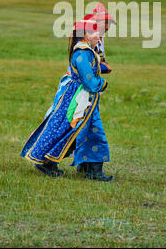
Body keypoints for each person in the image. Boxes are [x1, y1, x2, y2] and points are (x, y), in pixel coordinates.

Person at [20, 19, 113, 181]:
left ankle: (90, 170)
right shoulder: (82, 53)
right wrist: (102, 84)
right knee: (74, 131)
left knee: (88, 132)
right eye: (93, 32)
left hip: (86, 101)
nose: (97, 34)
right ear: (83, 35)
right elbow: (89, 80)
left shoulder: (87, 51)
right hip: (78, 100)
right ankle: (48, 161)